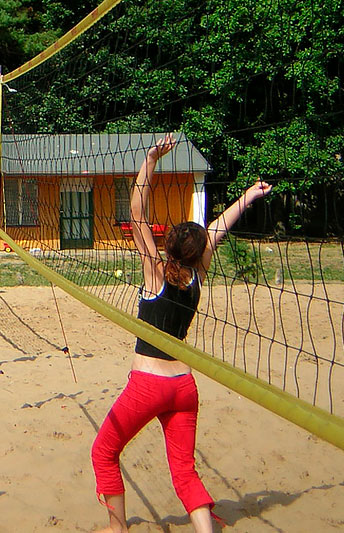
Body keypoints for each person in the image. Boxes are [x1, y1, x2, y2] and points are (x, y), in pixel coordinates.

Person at [90, 134, 272, 533]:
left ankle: (117, 528)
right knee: (184, 472)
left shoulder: (155, 269)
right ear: (196, 250)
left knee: (104, 452)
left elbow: (137, 211)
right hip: (184, 386)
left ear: (169, 243)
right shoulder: (197, 274)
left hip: (147, 385)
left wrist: (151, 159)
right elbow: (218, 227)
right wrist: (248, 196)